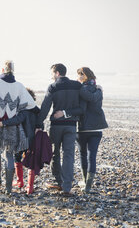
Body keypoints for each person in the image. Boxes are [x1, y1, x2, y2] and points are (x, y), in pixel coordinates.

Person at [0, 60, 36, 194]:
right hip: (11, 126)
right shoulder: (19, 86)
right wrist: (17, 111)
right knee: (9, 154)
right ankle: (8, 188)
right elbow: (31, 104)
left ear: (2, 70)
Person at [54, 67, 108, 193]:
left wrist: (65, 113)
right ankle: (87, 186)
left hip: (83, 128)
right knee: (92, 156)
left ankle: (85, 182)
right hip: (97, 128)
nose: (77, 78)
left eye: (79, 75)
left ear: (84, 76)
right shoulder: (98, 89)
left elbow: (81, 109)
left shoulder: (81, 90)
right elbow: (95, 100)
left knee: (83, 155)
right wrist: (99, 90)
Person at [36, 63, 83, 196]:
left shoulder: (53, 87)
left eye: (52, 73)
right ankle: (67, 187)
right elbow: (81, 108)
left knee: (55, 153)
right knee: (68, 156)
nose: (51, 76)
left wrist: (38, 124)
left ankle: (58, 181)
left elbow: (45, 107)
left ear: (57, 73)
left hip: (57, 125)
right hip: (71, 125)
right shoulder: (77, 86)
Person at [0, 88, 40, 194]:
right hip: (34, 139)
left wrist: (4, 123)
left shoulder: (24, 111)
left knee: (17, 157)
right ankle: (30, 187)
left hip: (22, 139)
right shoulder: (37, 111)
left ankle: (20, 181)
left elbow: (17, 120)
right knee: (32, 161)